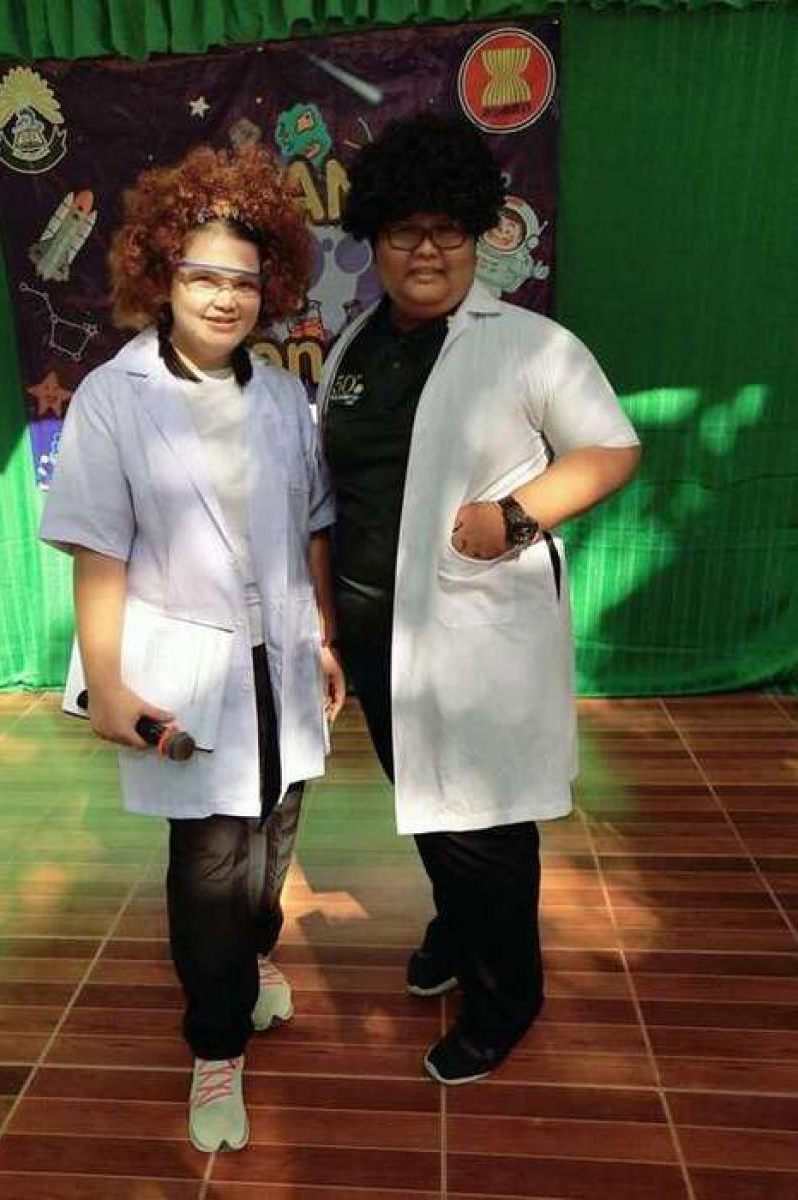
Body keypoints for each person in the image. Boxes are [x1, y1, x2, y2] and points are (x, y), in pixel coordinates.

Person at [320, 112, 641, 1085]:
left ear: (476, 234)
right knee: (428, 803)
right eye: (404, 231)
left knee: (486, 825)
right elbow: (335, 492)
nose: (427, 251)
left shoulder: (531, 344)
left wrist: (517, 513)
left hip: (476, 634)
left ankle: (507, 998)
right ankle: (459, 933)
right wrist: (328, 625)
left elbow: (610, 449)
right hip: (379, 636)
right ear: (373, 238)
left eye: (448, 230)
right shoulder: (352, 348)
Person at [40, 143, 345, 1151]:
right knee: (211, 864)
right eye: (203, 275)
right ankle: (216, 1048)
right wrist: (107, 684)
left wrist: (324, 635)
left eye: (244, 281)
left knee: (275, 834)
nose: (224, 297)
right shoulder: (113, 397)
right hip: (185, 669)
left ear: (272, 289)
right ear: (160, 274)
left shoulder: (283, 398)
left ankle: (256, 957)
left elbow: (312, 524)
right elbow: (98, 550)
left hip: (281, 659)